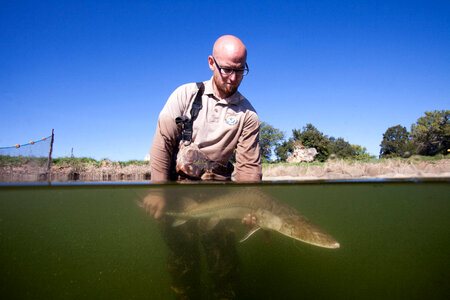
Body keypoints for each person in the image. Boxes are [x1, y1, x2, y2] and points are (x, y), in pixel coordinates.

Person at [143, 35, 261, 299]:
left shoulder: (248, 116)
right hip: (178, 193)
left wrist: (252, 205)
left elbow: (248, 168)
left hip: (220, 197)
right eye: (227, 69)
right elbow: (162, 143)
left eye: (240, 70)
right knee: (183, 263)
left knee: (224, 267)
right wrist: (159, 192)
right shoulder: (185, 95)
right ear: (211, 63)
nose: (233, 77)